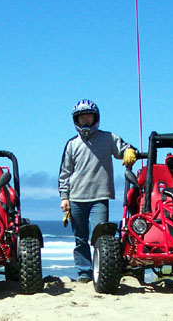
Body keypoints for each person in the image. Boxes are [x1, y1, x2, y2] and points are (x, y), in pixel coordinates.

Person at [58, 99, 137, 283]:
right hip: (76, 198)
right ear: (76, 120)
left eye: (89, 117)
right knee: (81, 239)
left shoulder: (109, 138)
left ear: (95, 118)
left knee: (101, 237)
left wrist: (130, 151)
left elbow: (125, 149)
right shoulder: (72, 144)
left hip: (100, 197)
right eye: (82, 117)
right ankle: (84, 274)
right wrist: (64, 197)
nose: (86, 121)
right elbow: (65, 173)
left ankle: (102, 271)